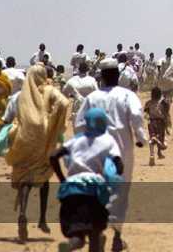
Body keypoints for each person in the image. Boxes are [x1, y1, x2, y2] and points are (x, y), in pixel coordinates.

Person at [74, 58, 147, 252]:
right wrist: (141, 138)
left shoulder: (92, 98)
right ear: (117, 75)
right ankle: (117, 236)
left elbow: (79, 124)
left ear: (102, 77)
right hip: (122, 152)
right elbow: (137, 116)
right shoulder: (127, 95)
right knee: (120, 193)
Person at [6, 64, 70, 243]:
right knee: (43, 175)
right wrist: (52, 120)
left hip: (23, 139)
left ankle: (23, 213)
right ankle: (42, 218)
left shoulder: (21, 95)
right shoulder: (49, 90)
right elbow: (64, 103)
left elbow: (11, 116)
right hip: (42, 140)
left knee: (25, 177)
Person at [50, 107, 122, 252]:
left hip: (70, 190)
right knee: (94, 233)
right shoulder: (108, 140)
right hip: (93, 191)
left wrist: (63, 179)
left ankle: (70, 245)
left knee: (77, 235)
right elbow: (118, 164)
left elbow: (53, 156)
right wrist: (112, 179)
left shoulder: (76, 140)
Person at [143, 87, 171, 166]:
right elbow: (166, 115)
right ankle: (159, 144)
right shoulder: (163, 103)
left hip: (151, 123)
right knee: (163, 143)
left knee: (152, 138)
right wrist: (168, 127)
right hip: (160, 123)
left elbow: (145, 115)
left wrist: (149, 118)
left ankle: (152, 155)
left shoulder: (148, 103)